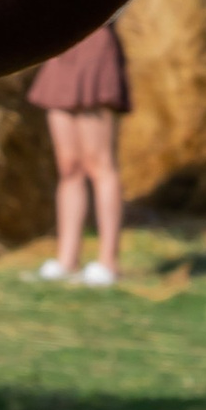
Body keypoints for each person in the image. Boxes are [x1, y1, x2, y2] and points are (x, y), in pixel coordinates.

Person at [29, 20, 129, 286]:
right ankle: (67, 260)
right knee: (68, 166)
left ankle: (108, 262)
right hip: (60, 49)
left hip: (94, 45)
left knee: (100, 164)